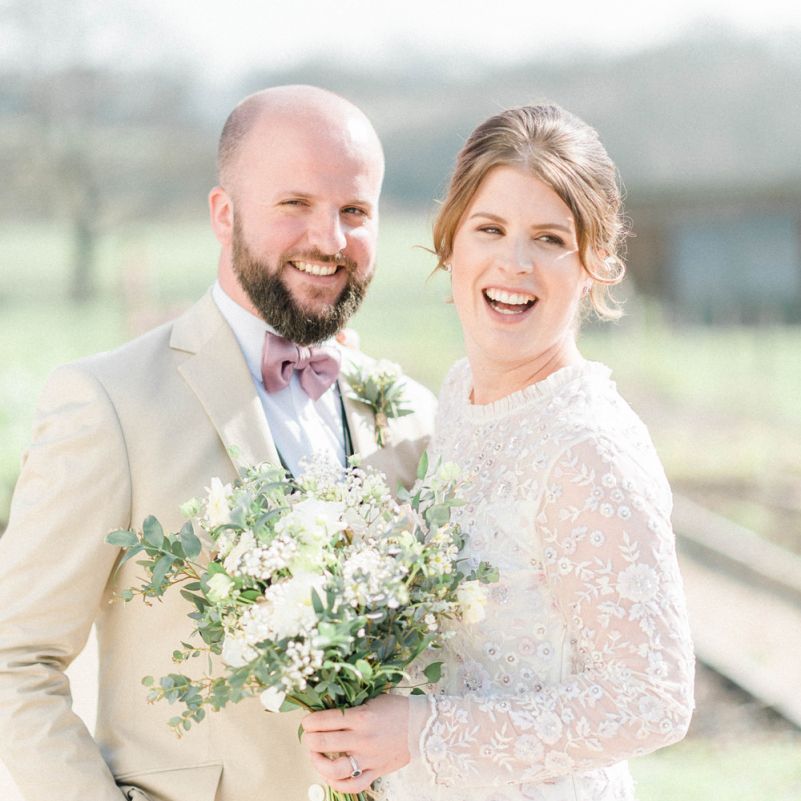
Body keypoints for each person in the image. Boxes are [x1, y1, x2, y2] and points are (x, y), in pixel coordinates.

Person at [0, 85, 436, 801]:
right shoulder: (110, 403)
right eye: (293, 203)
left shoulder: (410, 416)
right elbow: (15, 658)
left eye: (353, 211)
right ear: (223, 213)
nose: (328, 240)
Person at [301, 103, 695, 800]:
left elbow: (653, 696)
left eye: (549, 238)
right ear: (450, 244)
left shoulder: (587, 447)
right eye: (490, 228)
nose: (513, 263)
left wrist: (424, 734)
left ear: (595, 264)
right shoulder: (460, 394)